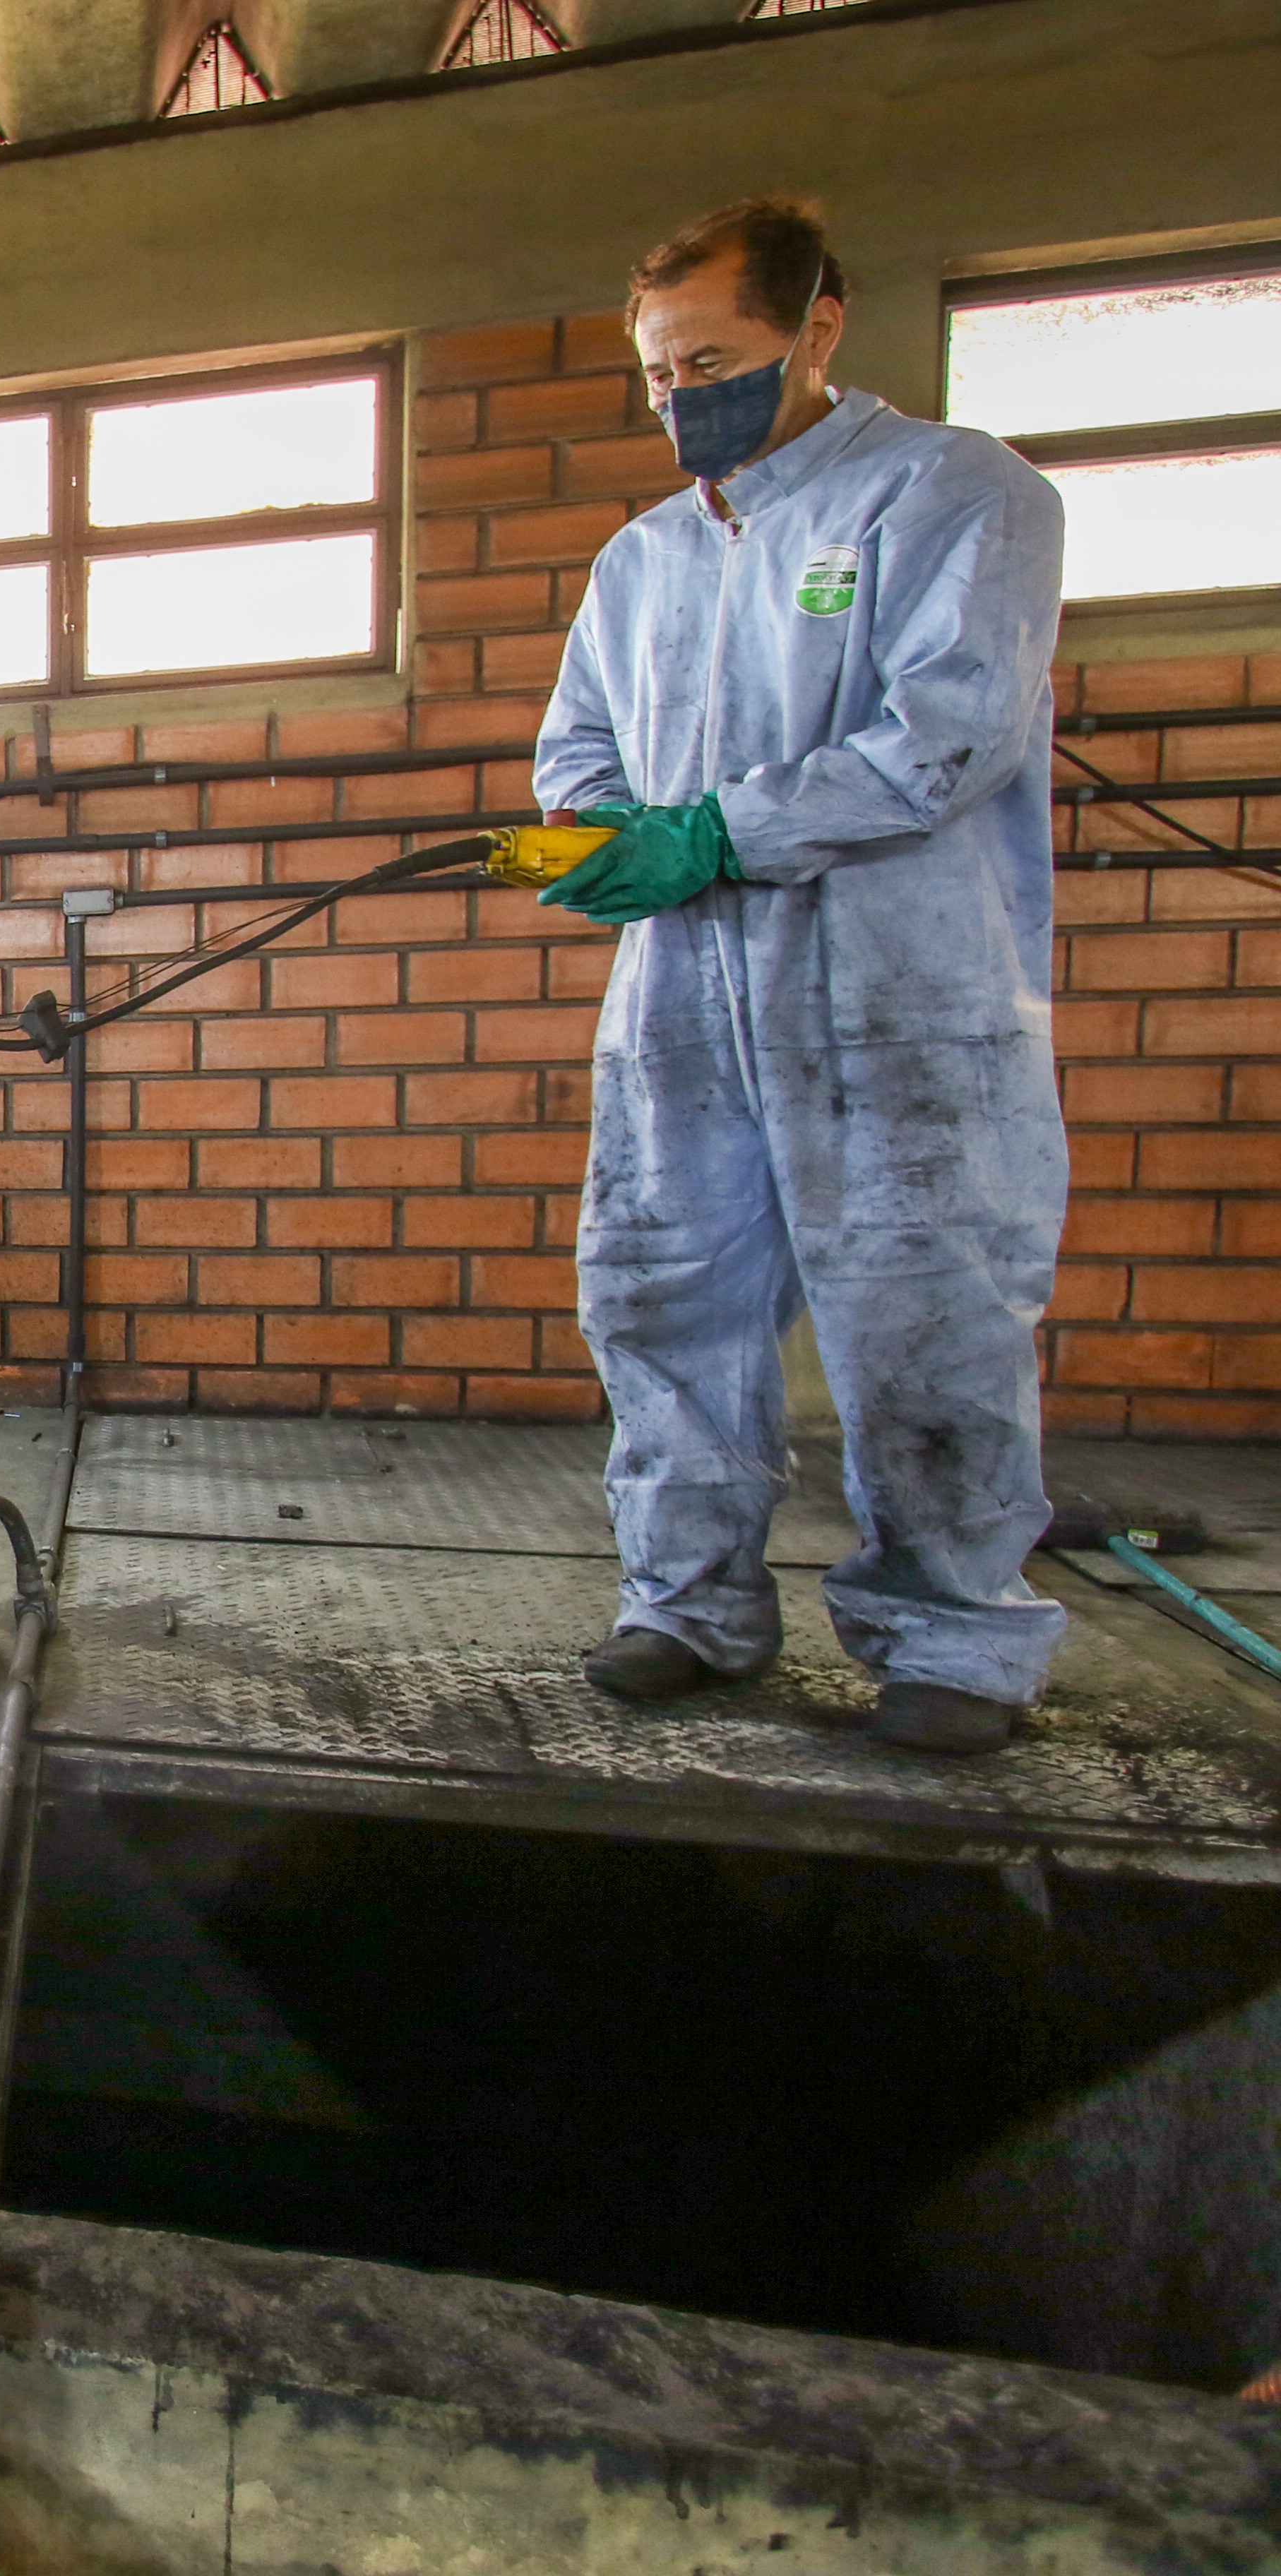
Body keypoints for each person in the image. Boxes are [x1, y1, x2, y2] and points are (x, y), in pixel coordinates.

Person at [534, 195, 1070, 1758]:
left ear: (819, 328)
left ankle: (956, 1640)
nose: (684, 390)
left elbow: (947, 736)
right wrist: (604, 832)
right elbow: (580, 744)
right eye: (660, 368)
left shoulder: (955, 494)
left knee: (922, 1302)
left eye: (715, 354)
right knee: (661, 1291)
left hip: (897, 984)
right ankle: (688, 1604)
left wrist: (717, 830)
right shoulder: (641, 559)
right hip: (686, 991)